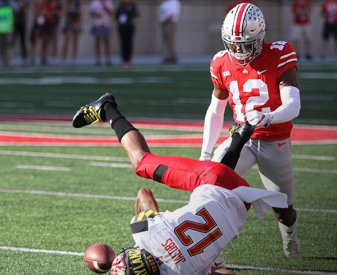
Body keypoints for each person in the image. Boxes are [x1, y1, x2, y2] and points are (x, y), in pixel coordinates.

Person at [72, 93, 287, 275]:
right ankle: (107, 108)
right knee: (142, 162)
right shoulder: (144, 232)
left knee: (213, 202)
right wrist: (145, 226)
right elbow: (144, 194)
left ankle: (239, 139)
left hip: (240, 206)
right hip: (213, 179)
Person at [199, 3, 301, 258]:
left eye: (245, 44)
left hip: (274, 140)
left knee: (284, 209)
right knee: (210, 187)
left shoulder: (280, 53)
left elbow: (293, 104)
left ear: (260, 36)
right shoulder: (221, 62)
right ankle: (209, 250)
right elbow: (215, 110)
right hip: (241, 137)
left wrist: (268, 118)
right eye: (232, 43)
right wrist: (205, 153)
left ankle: (289, 235)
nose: (238, 50)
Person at [89, 0, 113, 66]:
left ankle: (108, 59)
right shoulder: (94, 2)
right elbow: (91, 13)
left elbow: (111, 12)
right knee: (98, 42)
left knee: (107, 42)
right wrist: (97, 14)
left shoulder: (108, 2)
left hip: (106, 23)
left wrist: (105, 6)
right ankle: (98, 59)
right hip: (97, 24)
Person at [115, 0, 138, 67]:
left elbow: (136, 15)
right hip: (122, 27)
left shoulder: (132, 5)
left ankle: (129, 59)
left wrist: (134, 23)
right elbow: (116, 16)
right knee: (123, 43)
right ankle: (124, 60)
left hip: (130, 27)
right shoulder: (120, 6)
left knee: (129, 43)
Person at [29, 0, 53, 66]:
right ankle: (32, 58)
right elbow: (35, 14)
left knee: (45, 42)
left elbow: (50, 17)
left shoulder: (49, 6)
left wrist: (46, 14)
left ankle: (44, 58)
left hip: (46, 25)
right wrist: (40, 12)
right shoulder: (38, 4)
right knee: (34, 41)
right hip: (38, 24)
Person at [158, 0, 180, 65]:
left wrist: (164, 21)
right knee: (165, 41)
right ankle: (167, 56)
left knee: (170, 40)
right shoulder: (165, 3)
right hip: (163, 24)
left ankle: (172, 57)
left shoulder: (174, 2)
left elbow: (172, 14)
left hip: (169, 23)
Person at [61, 0, 81, 65]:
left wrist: (78, 23)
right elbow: (66, 14)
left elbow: (80, 13)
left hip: (76, 23)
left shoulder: (78, 3)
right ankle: (64, 57)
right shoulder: (68, 3)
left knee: (75, 40)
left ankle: (74, 57)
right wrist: (72, 23)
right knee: (67, 40)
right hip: (69, 23)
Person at [10, 0, 27, 66]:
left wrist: (22, 6)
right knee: (13, 40)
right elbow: (11, 12)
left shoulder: (22, 2)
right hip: (15, 24)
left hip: (21, 23)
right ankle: (12, 56)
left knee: (22, 41)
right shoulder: (12, 3)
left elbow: (25, 12)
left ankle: (24, 57)